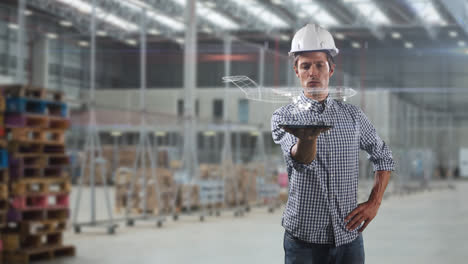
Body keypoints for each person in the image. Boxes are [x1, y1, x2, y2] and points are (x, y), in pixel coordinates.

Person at [271, 24, 394, 264]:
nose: (313, 72)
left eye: (320, 65)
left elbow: (384, 156)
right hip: (304, 241)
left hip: (348, 237)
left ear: (331, 68)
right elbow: (301, 160)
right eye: (305, 66)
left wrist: (374, 203)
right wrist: (307, 137)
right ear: (296, 70)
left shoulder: (353, 117)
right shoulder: (284, 117)